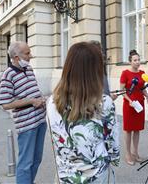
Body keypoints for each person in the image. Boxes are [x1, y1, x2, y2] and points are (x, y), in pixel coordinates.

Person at [47, 42, 120, 183]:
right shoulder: (104, 103)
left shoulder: (51, 102)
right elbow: (112, 144)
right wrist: (114, 159)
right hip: (97, 176)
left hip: (65, 174)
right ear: (95, 70)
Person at [0, 41, 47, 184]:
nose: (31, 56)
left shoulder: (29, 69)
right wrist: (31, 101)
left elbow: (31, 91)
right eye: (27, 53)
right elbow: (5, 104)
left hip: (40, 121)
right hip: (26, 126)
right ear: (16, 57)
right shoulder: (8, 75)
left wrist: (41, 99)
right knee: (26, 163)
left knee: (36, 159)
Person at [120, 50, 148, 165]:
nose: (138, 62)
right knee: (128, 130)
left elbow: (142, 88)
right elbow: (122, 90)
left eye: (139, 60)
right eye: (135, 60)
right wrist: (129, 100)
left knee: (137, 129)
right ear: (130, 62)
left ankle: (135, 152)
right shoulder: (125, 73)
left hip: (139, 104)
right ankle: (128, 153)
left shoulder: (142, 73)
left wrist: (147, 97)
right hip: (129, 105)